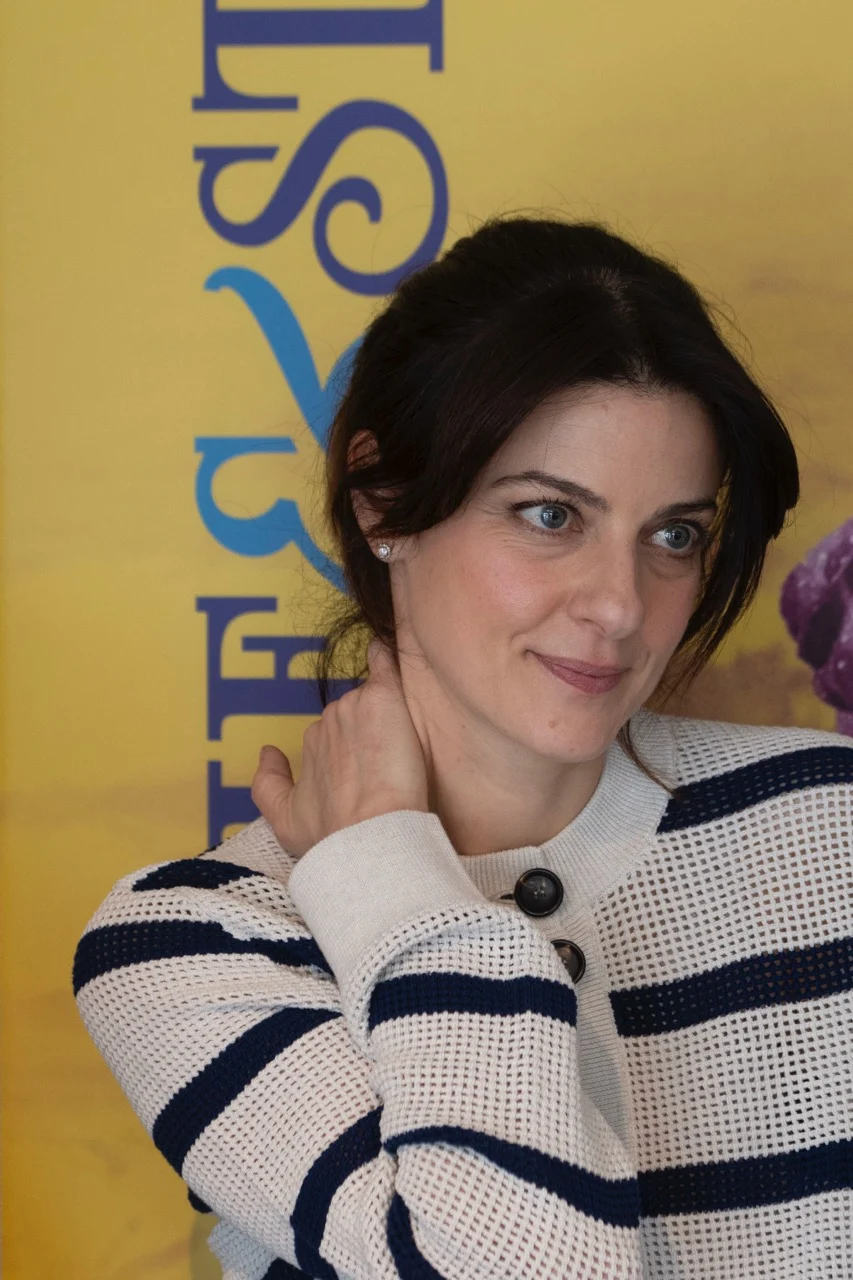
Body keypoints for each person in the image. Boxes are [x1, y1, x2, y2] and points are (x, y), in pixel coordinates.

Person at [73, 218, 852, 1279]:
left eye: (673, 534)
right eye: (549, 516)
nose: (620, 606)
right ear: (382, 501)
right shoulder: (203, 945)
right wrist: (387, 880)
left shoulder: (829, 830)